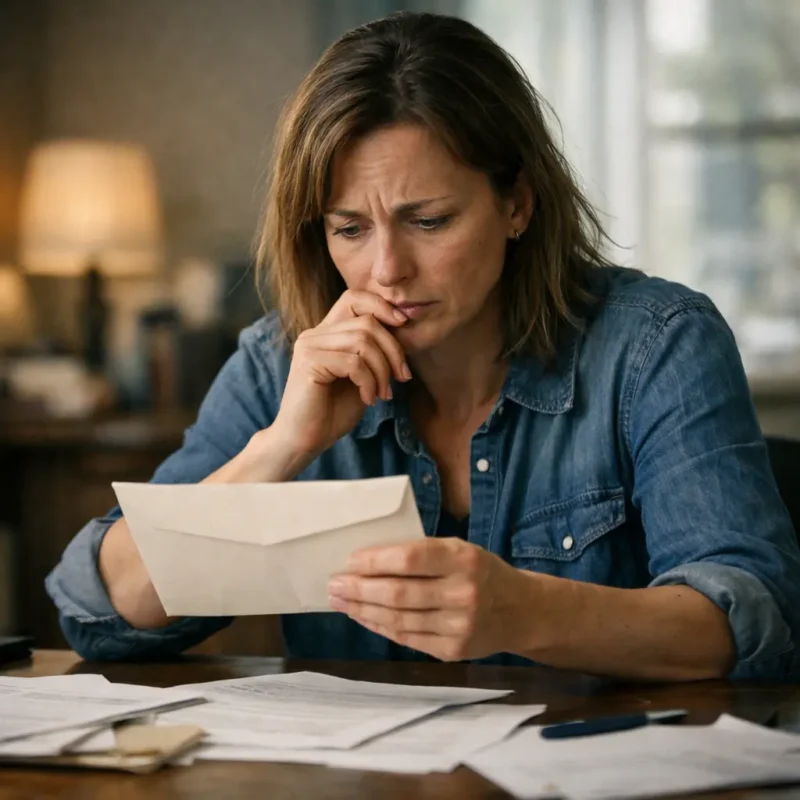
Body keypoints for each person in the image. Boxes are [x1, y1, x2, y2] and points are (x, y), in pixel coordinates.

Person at [47, 11, 800, 681]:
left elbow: (755, 620)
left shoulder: (656, 346)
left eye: (429, 221)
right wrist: (277, 448)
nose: (386, 271)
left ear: (516, 203)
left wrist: (527, 613)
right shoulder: (280, 363)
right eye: (349, 229)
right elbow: (97, 612)